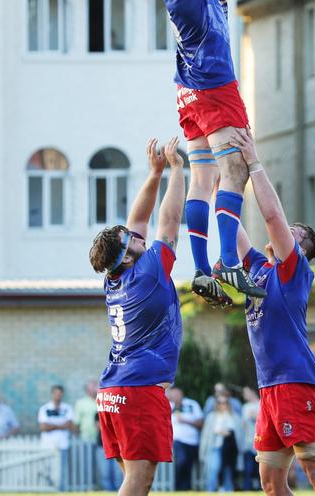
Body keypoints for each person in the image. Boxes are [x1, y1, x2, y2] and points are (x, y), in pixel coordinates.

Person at [134, 0, 264, 306]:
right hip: (213, 87)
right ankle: (229, 261)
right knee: (236, 172)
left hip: (189, 91)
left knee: (204, 179)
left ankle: (204, 269)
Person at [229, 130, 315, 496]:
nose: (288, 232)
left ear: (301, 251)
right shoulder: (260, 268)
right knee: (271, 484)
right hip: (270, 386)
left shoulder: (294, 271)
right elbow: (233, 230)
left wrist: (254, 162)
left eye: (297, 235)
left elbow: (273, 216)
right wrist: (220, 180)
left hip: (296, 381)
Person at [90, 138, 187, 496]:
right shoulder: (147, 273)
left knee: (133, 480)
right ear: (127, 256)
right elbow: (170, 221)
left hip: (114, 389)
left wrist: (154, 173)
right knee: (139, 480)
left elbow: (139, 221)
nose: (134, 235)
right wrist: (177, 170)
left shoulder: (116, 275)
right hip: (139, 390)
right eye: (128, 239)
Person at [38, 385, 75, 490]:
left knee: (62, 471)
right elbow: (44, 427)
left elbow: (69, 424)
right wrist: (60, 425)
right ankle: (47, 490)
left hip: (62, 445)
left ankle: (61, 491)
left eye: (60, 394)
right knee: (46, 470)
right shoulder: (44, 408)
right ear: (52, 394)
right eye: (56, 394)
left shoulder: (67, 408)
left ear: (62, 395)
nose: (58, 396)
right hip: (47, 445)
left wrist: (52, 425)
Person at [73, 381, 107, 490]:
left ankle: (102, 486)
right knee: (87, 464)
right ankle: (89, 486)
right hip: (86, 438)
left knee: (103, 466)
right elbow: (76, 423)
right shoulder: (81, 403)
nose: (96, 388)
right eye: (93, 386)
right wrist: (77, 438)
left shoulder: (104, 400)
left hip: (101, 440)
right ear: (87, 389)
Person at [169, 388, 203, 492]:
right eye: (173, 395)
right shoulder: (168, 406)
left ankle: (186, 490)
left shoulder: (192, 404)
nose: (175, 397)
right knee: (181, 461)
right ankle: (178, 487)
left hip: (193, 441)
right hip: (178, 440)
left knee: (189, 465)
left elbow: (200, 423)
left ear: (182, 394)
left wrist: (185, 421)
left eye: (177, 394)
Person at [203, 398, 239, 492]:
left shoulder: (234, 416)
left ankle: (227, 491)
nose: (223, 405)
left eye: (225, 402)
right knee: (213, 469)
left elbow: (238, 433)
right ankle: (211, 491)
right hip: (215, 447)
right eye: (220, 403)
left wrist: (227, 432)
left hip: (230, 448)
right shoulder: (211, 417)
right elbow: (206, 435)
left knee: (228, 471)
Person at [238, 387, 259, 492]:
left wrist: (257, 417)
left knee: (260, 470)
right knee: (248, 469)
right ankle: (247, 490)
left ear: (253, 391)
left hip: (261, 442)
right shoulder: (245, 407)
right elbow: (243, 425)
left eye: (246, 392)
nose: (244, 395)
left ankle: (261, 489)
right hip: (248, 442)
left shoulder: (262, 404)